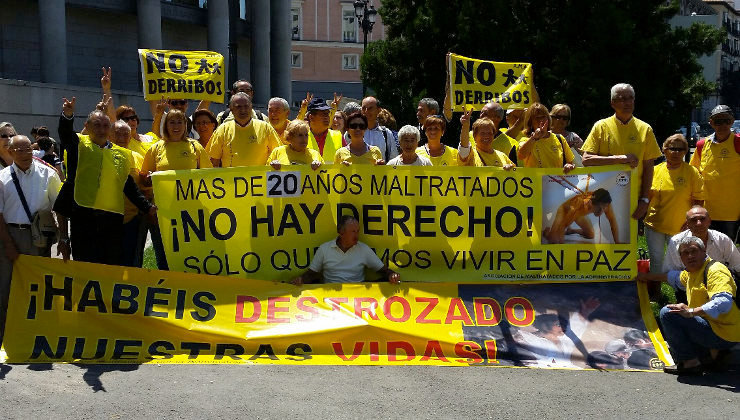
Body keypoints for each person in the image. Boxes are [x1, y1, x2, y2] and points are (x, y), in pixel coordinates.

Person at [55, 97, 155, 265]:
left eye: (105, 126)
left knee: (110, 265)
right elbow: (65, 134)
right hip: (83, 216)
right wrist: (67, 115)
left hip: (112, 219)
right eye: (97, 125)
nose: (101, 130)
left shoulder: (123, 154)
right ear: (87, 127)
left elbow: (128, 185)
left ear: (110, 129)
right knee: (85, 264)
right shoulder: (78, 144)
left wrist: (147, 207)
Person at [0, 135, 68, 345]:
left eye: (28, 149)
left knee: (39, 287)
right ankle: (6, 335)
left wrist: (64, 239)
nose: (26, 154)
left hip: (40, 237)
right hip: (10, 235)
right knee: (6, 287)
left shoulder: (48, 174)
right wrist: (9, 245)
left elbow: (60, 209)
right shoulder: (2, 178)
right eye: (19, 150)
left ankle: (37, 333)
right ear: (10, 153)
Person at [657, 236, 740, 375]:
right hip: (715, 327)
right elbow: (673, 277)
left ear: (704, 251)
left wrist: (691, 311)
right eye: (685, 253)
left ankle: (690, 362)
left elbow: (724, 302)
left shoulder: (715, 270)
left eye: (694, 251)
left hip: (725, 333)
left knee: (668, 313)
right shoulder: (692, 272)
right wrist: (642, 277)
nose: (690, 256)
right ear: (681, 258)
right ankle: (713, 354)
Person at [141, 110, 212, 270]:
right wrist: (150, 178)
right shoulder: (156, 148)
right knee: (164, 252)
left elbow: (208, 176)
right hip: (163, 211)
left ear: (186, 125)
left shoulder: (195, 146)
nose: (176, 126)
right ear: (165, 125)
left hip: (191, 211)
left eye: (180, 122)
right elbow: (143, 178)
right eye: (172, 122)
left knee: (190, 251)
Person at [582, 83, 662, 220]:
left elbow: (649, 167)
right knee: (603, 239)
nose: (627, 102)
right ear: (612, 103)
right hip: (601, 198)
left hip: (633, 198)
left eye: (630, 98)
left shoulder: (645, 129)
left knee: (628, 240)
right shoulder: (600, 126)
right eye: (622, 99)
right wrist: (620, 159)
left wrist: (644, 200)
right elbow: (586, 160)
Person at [644, 134, 704, 278]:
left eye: (681, 149)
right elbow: (645, 197)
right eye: (672, 148)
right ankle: (656, 294)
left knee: (681, 261)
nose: (676, 152)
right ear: (664, 150)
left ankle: (682, 292)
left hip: (681, 227)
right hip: (654, 225)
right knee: (657, 261)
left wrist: (691, 223)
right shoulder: (654, 170)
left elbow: (699, 200)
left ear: (685, 151)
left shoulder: (692, 172)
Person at [638, 206, 740, 286]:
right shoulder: (676, 242)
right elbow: (670, 273)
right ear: (687, 224)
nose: (698, 223)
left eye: (702, 219)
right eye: (693, 220)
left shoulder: (722, 239)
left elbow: (737, 266)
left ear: (709, 221)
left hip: (719, 285)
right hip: (688, 287)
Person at [290, 215, 400, 285]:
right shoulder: (325, 249)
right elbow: (311, 274)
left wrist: (392, 275)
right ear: (341, 232)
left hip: (357, 299)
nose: (357, 235)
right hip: (330, 298)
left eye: (357, 231)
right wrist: (301, 280)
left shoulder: (363, 249)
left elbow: (383, 271)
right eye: (353, 232)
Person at [690, 104, 740, 241]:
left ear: (732, 121)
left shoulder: (738, 142)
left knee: (727, 252)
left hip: (732, 212)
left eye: (727, 121)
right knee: (705, 250)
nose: (722, 125)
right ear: (711, 123)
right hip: (706, 212)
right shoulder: (701, 145)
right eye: (718, 121)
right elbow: (693, 174)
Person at [514, 298, 600, 369]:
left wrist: (584, 313)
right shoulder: (530, 339)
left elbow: (576, 326)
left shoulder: (565, 341)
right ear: (544, 326)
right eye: (558, 324)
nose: (562, 327)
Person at [111, 121, 149, 268]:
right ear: (110, 135)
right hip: (108, 219)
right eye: (117, 133)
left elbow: (143, 186)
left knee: (132, 261)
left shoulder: (138, 157)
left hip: (132, 219)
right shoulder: (102, 154)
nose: (121, 137)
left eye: (125, 134)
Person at [207, 93, 280, 168]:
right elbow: (213, 161)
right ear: (231, 109)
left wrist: (276, 162)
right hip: (230, 178)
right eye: (238, 107)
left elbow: (279, 154)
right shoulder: (223, 129)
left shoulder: (266, 128)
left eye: (246, 106)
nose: (243, 110)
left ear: (251, 107)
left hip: (260, 178)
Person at [543, 187, 621, 244]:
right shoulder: (578, 204)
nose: (602, 211)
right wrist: (561, 245)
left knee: (590, 235)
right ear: (591, 203)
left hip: (579, 214)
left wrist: (617, 242)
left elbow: (612, 221)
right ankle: (547, 232)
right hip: (565, 210)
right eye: (599, 208)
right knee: (553, 239)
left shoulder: (606, 204)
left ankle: (571, 231)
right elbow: (563, 225)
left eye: (604, 208)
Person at [517, 103, 575, 173]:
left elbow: (570, 162)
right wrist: (534, 138)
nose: (541, 120)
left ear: (548, 118)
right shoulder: (525, 140)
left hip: (557, 183)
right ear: (530, 122)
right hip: (536, 183)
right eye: (537, 118)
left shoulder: (559, 138)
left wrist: (569, 166)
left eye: (543, 117)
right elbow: (521, 156)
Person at [306, 97, 346, 162]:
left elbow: (347, 158)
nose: (327, 117)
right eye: (323, 114)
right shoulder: (301, 136)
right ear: (311, 117)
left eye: (328, 114)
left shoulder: (338, 136)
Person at [361, 97, 399, 162]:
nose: (366, 111)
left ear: (378, 110)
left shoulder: (386, 133)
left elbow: (393, 159)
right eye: (364, 108)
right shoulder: (353, 131)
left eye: (370, 108)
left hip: (381, 172)